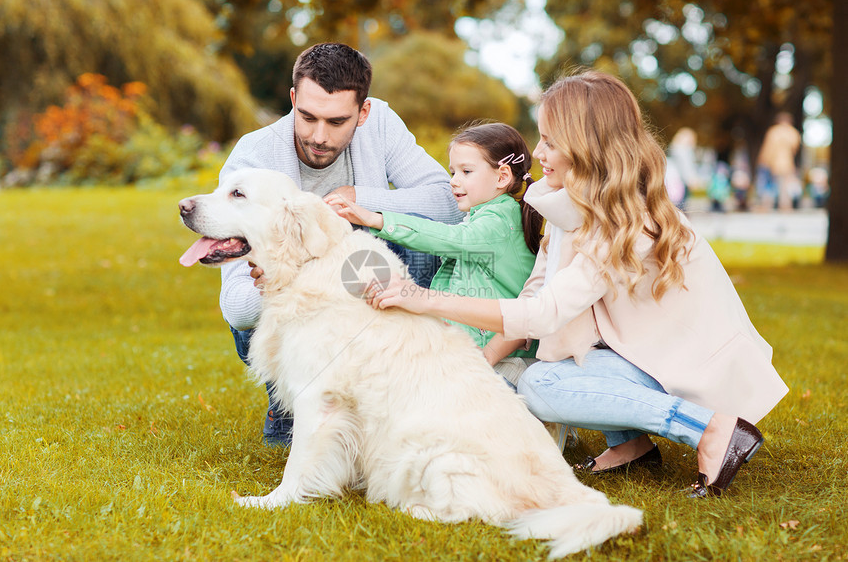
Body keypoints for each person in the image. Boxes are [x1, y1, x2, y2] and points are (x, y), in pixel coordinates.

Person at [364, 70, 789, 498]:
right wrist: (479, 362)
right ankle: (631, 446)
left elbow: (545, 313)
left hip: (688, 365)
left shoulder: (626, 220)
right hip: (638, 354)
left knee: (544, 384)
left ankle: (711, 430)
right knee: (543, 372)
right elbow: (533, 294)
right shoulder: (575, 207)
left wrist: (427, 299)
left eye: (550, 140)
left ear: (588, 147)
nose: (537, 151)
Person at [218, 42, 462, 447]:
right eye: (307, 116)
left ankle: (394, 395)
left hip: (363, 290)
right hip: (303, 312)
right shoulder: (254, 159)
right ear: (293, 98)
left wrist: (363, 200)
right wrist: (283, 270)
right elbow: (238, 309)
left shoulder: (380, 123)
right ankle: (292, 402)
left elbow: (448, 204)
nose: (318, 136)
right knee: (260, 307)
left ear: (363, 113)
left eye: (336, 122)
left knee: (419, 237)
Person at [327, 122, 542, 386]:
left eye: (466, 171)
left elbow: (449, 239)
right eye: (453, 172)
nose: (454, 181)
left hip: (505, 362)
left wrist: (375, 219)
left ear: (502, 177)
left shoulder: (498, 220)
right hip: (478, 354)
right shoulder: (484, 217)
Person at [756, 112, 802, 210]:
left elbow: (768, 148)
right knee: (784, 185)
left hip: (773, 162)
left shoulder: (773, 132)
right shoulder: (793, 132)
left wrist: (763, 160)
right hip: (787, 161)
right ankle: (785, 205)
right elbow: (795, 148)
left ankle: (767, 204)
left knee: (770, 184)